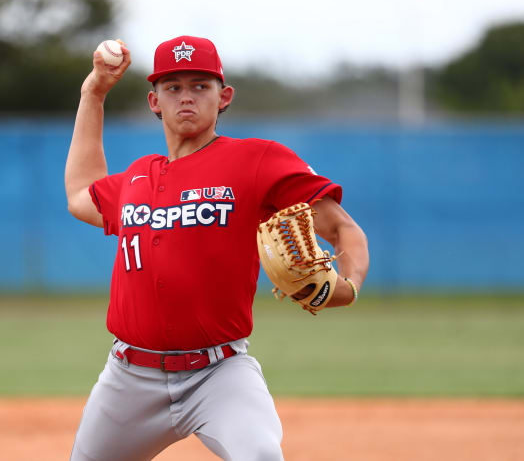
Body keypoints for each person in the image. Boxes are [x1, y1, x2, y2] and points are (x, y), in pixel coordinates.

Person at [65, 35, 369, 460]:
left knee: (261, 454)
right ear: (155, 102)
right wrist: (93, 92)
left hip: (218, 373)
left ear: (223, 97)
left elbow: (343, 229)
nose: (186, 97)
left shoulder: (257, 160)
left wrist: (349, 285)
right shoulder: (137, 179)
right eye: (173, 87)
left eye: (199, 86)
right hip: (128, 377)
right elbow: (81, 194)